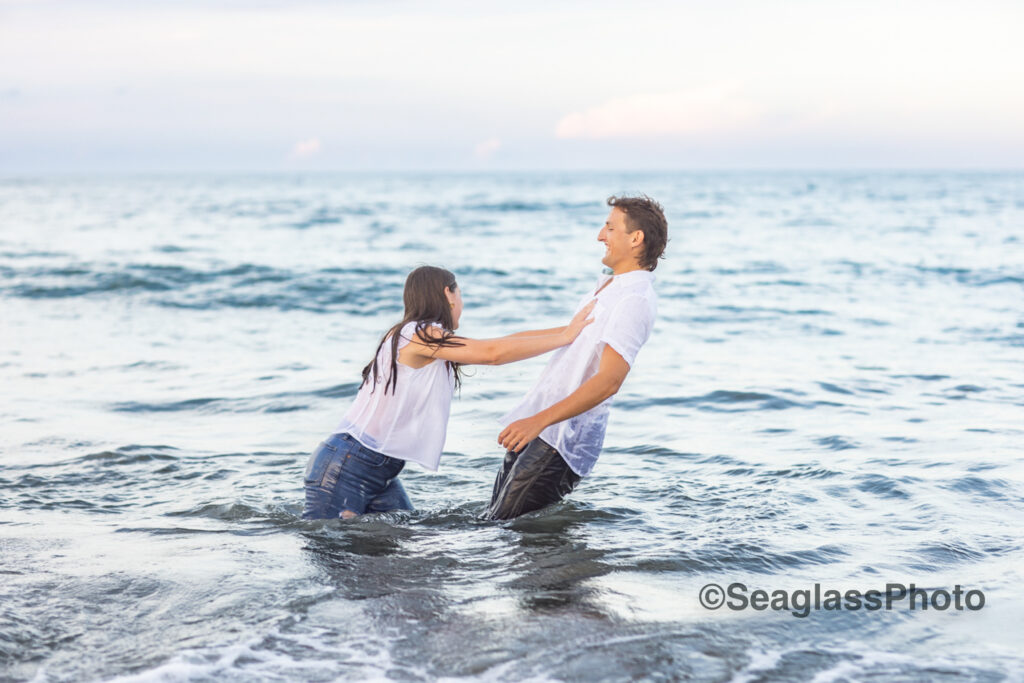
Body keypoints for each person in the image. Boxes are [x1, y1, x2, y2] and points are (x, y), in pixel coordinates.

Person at [302, 265, 596, 520]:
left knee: (406, 546)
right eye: (460, 295)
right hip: (348, 466)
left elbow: (502, 342)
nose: (461, 303)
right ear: (447, 294)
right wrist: (567, 336)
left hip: (373, 467)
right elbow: (492, 354)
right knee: (331, 554)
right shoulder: (417, 334)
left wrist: (571, 331)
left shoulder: (422, 336)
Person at [486, 195, 668, 520]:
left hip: (561, 440)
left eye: (610, 227)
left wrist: (538, 421)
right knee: (491, 524)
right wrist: (475, 349)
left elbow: (609, 381)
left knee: (500, 531)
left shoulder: (634, 299)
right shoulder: (609, 289)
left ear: (636, 238)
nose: (601, 235)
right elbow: (561, 337)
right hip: (542, 428)